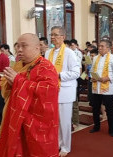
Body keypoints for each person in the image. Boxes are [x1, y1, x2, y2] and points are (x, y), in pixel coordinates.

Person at [0, 33, 59, 157]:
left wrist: (18, 81)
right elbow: (5, 88)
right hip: (16, 117)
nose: (19, 49)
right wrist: (10, 82)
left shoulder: (46, 67)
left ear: (37, 48)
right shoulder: (18, 65)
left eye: (23, 46)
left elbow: (49, 92)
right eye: (17, 46)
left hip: (36, 123)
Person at [45, 26, 80, 157]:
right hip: (51, 90)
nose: (52, 37)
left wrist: (59, 75)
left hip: (65, 91)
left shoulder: (69, 53)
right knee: (54, 120)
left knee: (64, 122)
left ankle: (66, 146)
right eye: (51, 35)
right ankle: (57, 142)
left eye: (55, 35)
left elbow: (76, 72)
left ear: (63, 37)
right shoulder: (49, 53)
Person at [89, 39, 113, 137]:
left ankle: (112, 129)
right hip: (96, 88)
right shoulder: (95, 58)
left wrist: (108, 78)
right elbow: (92, 71)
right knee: (95, 108)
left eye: (102, 46)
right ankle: (96, 126)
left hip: (107, 89)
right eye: (99, 46)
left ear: (108, 48)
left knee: (110, 109)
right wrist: (92, 77)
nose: (100, 48)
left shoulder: (112, 59)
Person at [70, 39, 83, 129]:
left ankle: (75, 121)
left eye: (72, 45)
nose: (71, 47)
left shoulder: (77, 53)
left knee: (74, 102)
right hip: (66, 82)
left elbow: (79, 67)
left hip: (74, 79)